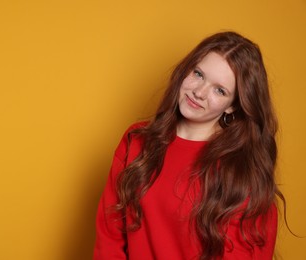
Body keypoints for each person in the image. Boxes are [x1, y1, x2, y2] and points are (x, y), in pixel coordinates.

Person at [94, 31, 284, 260]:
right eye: (198, 74)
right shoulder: (137, 140)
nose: (199, 92)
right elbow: (109, 237)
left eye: (219, 90)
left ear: (232, 106)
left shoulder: (242, 173)